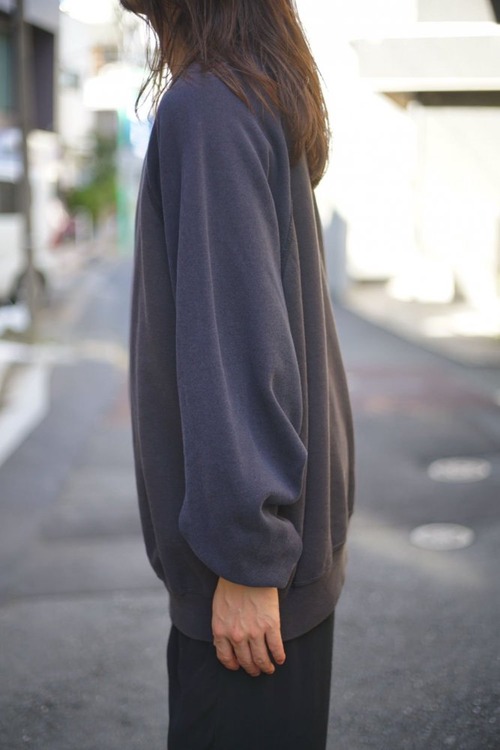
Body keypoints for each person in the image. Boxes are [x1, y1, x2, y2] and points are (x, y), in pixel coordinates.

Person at [121, 1, 355, 748]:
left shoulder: (209, 108)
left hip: (253, 594)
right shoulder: (249, 90)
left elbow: (241, 344)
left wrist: (249, 562)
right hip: (280, 576)